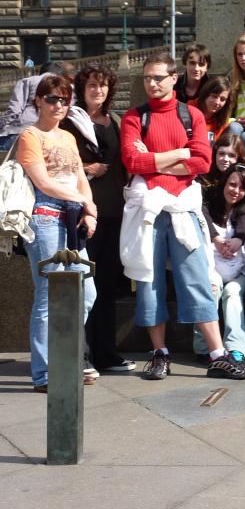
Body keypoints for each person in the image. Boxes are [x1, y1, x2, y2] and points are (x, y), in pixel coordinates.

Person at [120, 51, 245, 381]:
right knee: (149, 281)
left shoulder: (191, 115)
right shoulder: (134, 118)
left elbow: (202, 162)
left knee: (196, 280)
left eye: (157, 78)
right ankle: (159, 353)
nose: (151, 83)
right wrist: (179, 154)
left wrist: (155, 159)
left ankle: (218, 355)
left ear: (173, 78)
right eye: (147, 78)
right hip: (148, 212)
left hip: (182, 207)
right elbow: (132, 162)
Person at [17, 74, 98, 392]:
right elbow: (43, 182)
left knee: (87, 294)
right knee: (47, 297)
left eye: (65, 99)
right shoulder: (30, 136)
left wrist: (90, 208)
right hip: (45, 219)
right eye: (52, 98)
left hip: (72, 220)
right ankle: (44, 373)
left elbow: (80, 177)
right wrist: (82, 202)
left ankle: (66, 357)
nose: (59, 105)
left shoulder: (68, 138)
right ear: (38, 100)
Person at [60, 62, 132, 374]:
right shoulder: (69, 123)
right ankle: (82, 354)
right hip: (82, 214)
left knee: (105, 286)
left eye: (103, 85)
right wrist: (87, 170)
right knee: (83, 285)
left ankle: (107, 353)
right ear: (82, 88)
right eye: (91, 84)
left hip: (114, 212)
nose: (97, 90)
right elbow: (58, 164)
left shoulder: (115, 121)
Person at [198, 165, 245, 363]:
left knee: (232, 293)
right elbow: (202, 218)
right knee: (212, 289)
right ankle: (203, 346)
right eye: (232, 184)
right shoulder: (209, 204)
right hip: (213, 269)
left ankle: (236, 348)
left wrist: (239, 239)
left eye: (241, 187)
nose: (236, 191)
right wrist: (216, 239)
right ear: (224, 183)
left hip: (239, 272)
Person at [0, 61, 63, 151]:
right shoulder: (64, 87)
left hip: (20, 132)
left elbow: (14, 111)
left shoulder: (27, 81)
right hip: (52, 135)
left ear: (40, 72)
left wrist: (2, 124)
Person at [196, 75, 236, 146]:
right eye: (214, 96)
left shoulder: (222, 123)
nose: (217, 102)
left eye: (222, 99)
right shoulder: (189, 110)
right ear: (205, 94)